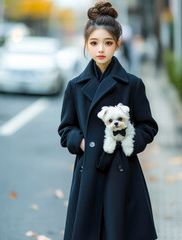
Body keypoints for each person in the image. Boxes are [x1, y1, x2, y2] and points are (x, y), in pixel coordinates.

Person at [58, 1, 158, 240]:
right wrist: (81, 143)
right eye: (94, 43)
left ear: (117, 45)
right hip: (87, 172)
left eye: (108, 42)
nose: (100, 49)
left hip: (122, 171)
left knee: (118, 231)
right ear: (86, 45)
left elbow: (148, 126)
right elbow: (65, 129)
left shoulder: (132, 84)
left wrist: (128, 143)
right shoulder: (74, 86)